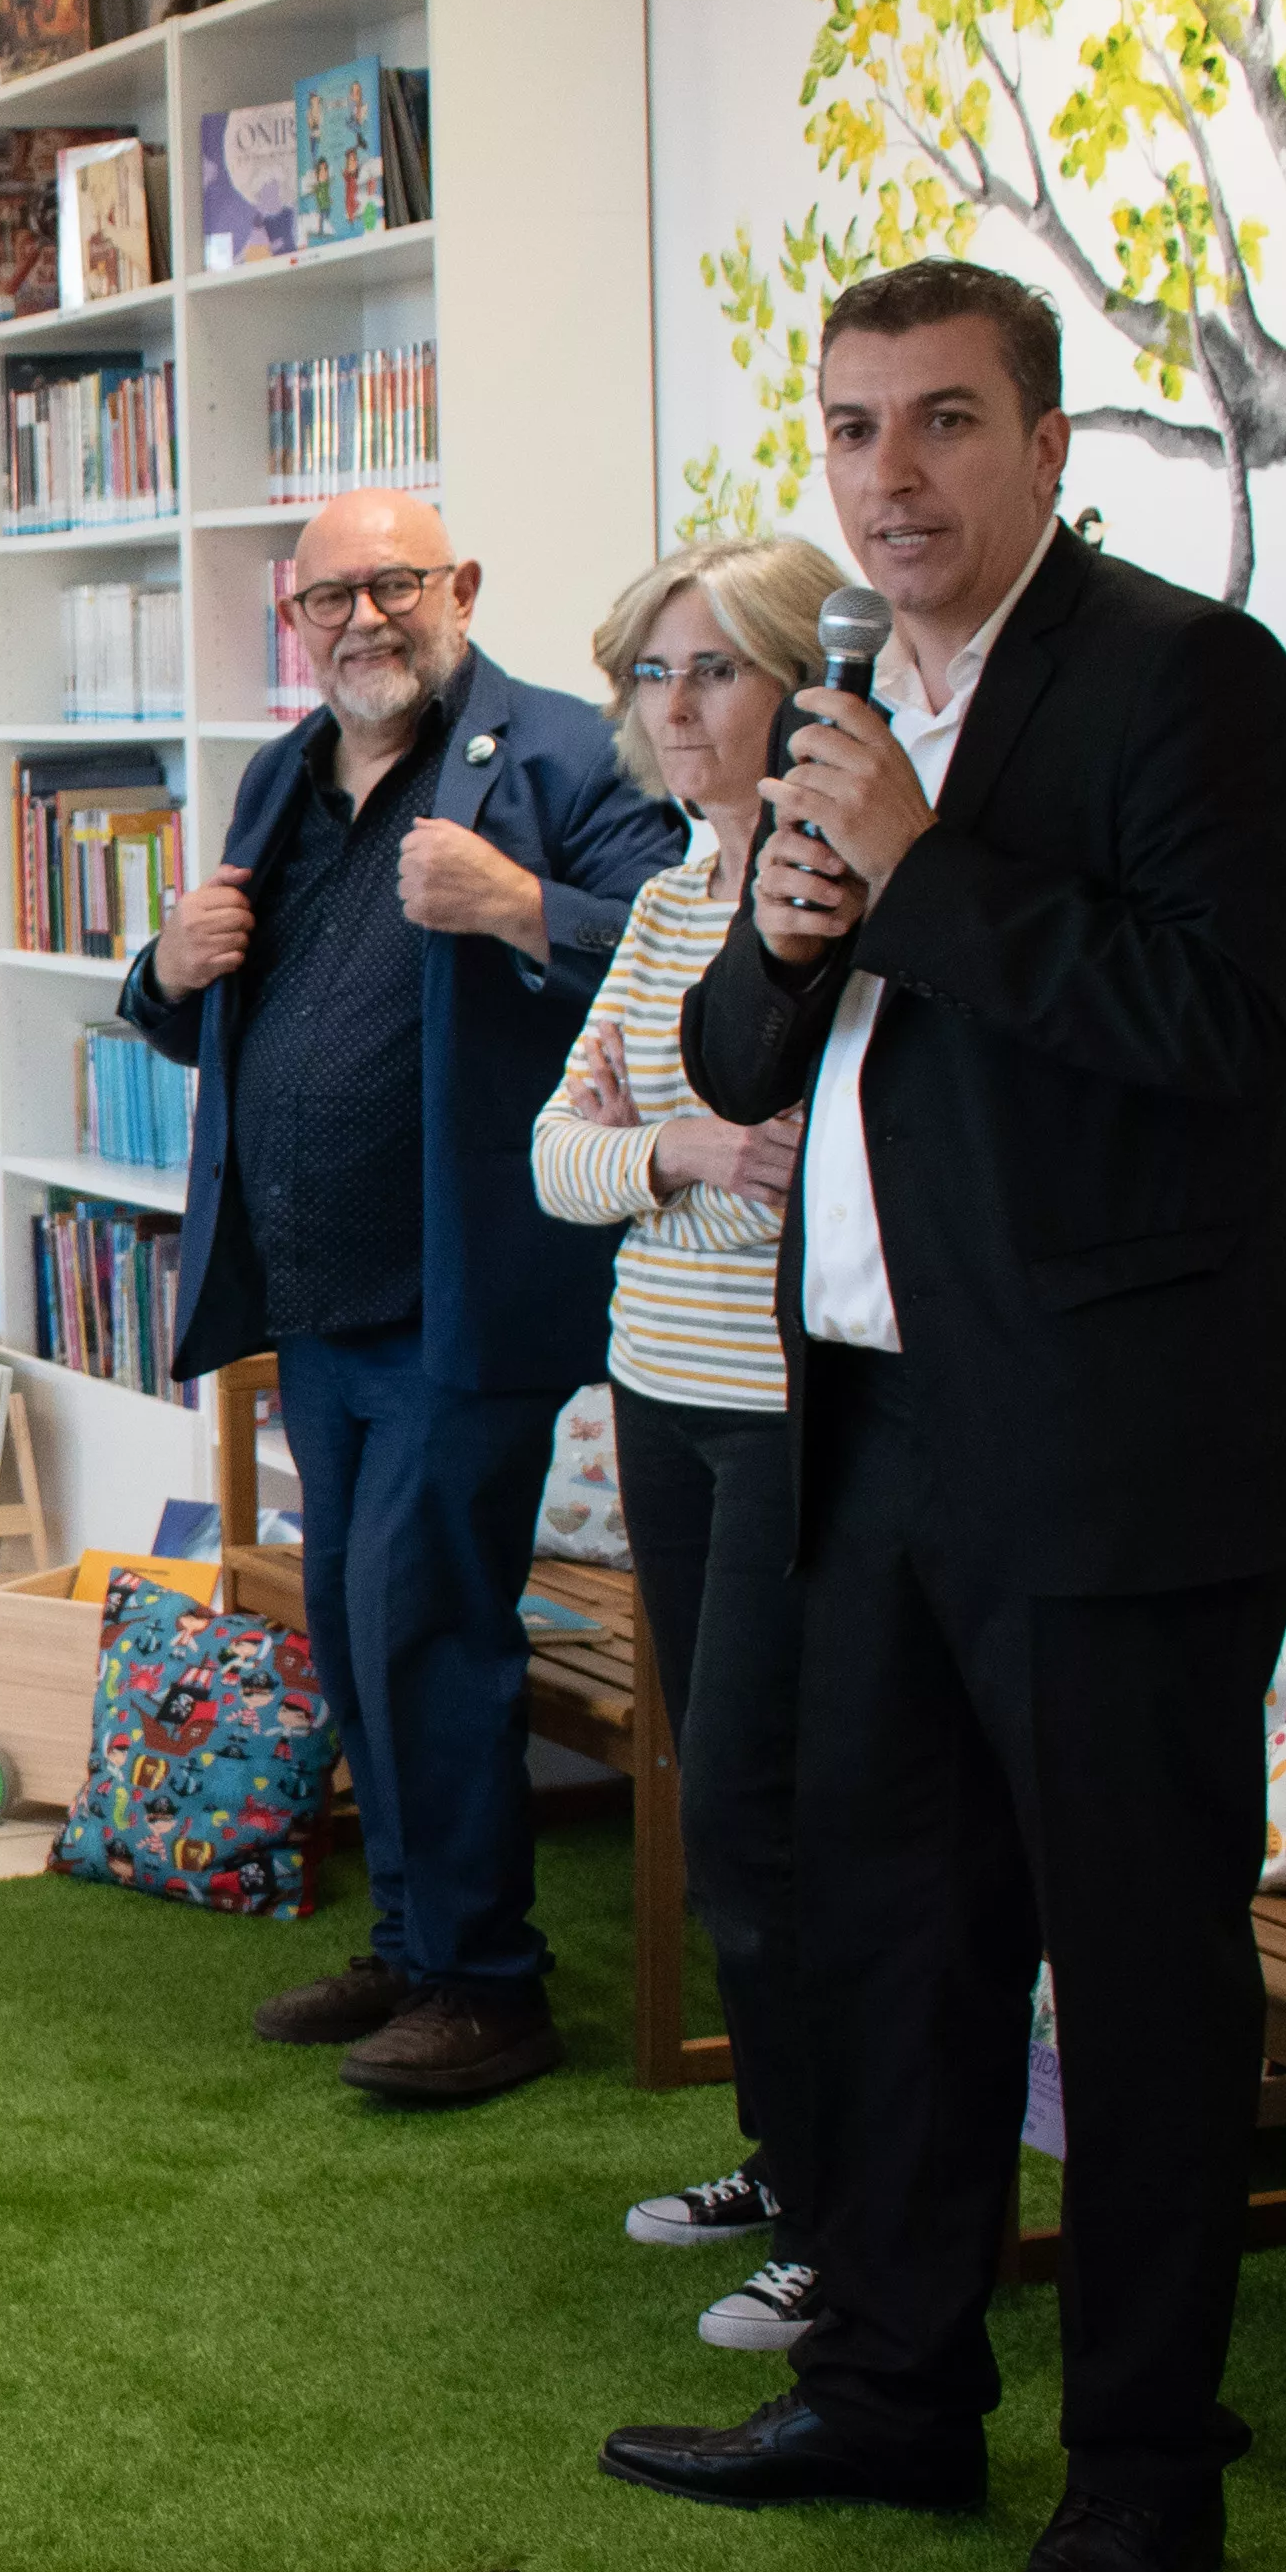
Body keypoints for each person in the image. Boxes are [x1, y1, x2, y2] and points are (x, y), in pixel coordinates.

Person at [628, 259, 1286, 2572]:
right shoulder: (849, 695)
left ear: (1048, 443)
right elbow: (744, 1049)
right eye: (851, 431)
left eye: (943, 424)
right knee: (897, 1943)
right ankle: (896, 2387)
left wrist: (926, 876)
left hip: (1121, 1452)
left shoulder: (1185, 682)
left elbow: (1222, 1021)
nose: (890, 478)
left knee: (1136, 1985)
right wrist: (809, 919)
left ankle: (1148, 2475)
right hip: (879, 1419)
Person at [120, 485, 676, 2104]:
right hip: (316, 1297)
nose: (363, 620)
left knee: (429, 1625)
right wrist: (161, 970)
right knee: (360, 1633)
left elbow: (683, 962)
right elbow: (199, 1010)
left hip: (462, 1291)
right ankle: (420, 1943)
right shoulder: (282, 778)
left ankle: (493, 1987)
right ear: (293, 620)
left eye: (395, 586)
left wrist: (518, 908)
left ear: (463, 587)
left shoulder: (569, 754)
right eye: (329, 599)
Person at [526, 539, 842, 2349]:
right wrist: (684, 1153)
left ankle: (846, 2207)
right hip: (663, 1394)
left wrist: (673, 1148)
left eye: (716, 670)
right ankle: (784, 2159)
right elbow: (560, 1163)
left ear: (801, 683)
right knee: (719, 1814)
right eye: (656, 675)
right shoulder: (656, 909)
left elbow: (823, 1183)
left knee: (765, 1810)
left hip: (799, 1419)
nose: (680, 708)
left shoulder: (825, 897)